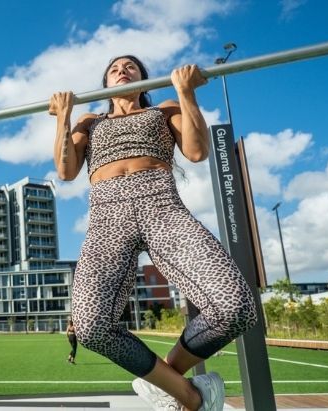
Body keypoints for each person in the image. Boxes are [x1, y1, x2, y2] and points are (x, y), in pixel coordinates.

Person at [48, 55, 257, 411]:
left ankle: (168, 386)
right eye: (114, 68)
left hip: (159, 202)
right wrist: (64, 118)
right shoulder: (89, 121)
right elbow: (66, 171)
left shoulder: (163, 109)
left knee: (235, 306)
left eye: (130, 67)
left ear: (142, 81)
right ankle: (189, 396)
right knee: (90, 326)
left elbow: (196, 151)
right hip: (106, 214)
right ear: (107, 84)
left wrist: (186, 92)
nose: (122, 71)